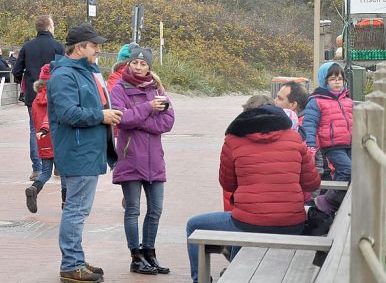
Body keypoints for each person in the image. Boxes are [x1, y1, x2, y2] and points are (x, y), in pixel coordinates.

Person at [186, 104, 320, 283]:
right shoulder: (294, 138)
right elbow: (312, 184)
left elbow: (227, 183)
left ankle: (199, 280)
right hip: (291, 223)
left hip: (249, 223)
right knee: (241, 232)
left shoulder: (233, 140)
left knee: (194, 226)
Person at [47, 23, 122, 282]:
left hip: (87, 150)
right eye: (94, 45)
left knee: (78, 209)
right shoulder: (64, 75)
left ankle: (76, 259)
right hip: (78, 151)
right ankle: (71, 264)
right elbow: (68, 114)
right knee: (76, 210)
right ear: (79, 48)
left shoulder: (87, 71)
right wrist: (101, 116)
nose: (99, 50)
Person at [109, 46, 175, 275]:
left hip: (154, 158)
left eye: (143, 64)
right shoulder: (119, 89)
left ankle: (150, 253)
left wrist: (138, 119)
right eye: (134, 63)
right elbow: (121, 119)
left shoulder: (156, 88)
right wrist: (148, 108)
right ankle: (135, 257)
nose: (138, 67)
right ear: (128, 64)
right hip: (130, 157)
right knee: (133, 210)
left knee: (156, 209)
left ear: (149, 66)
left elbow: (167, 122)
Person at [12, 15, 65, 181]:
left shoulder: (27, 47)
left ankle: (37, 167)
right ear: (49, 27)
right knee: (56, 127)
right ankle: (57, 165)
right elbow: (64, 70)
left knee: (35, 129)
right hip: (55, 93)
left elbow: (16, 70)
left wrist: (26, 80)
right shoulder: (57, 46)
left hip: (34, 94)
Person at [302, 62, 352, 213]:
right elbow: (309, 123)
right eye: (333, 79)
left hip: (350, 143)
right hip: (332, 144)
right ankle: (328, 201)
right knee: (348, 170)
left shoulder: (347, 100)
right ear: (325, 81)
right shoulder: (317, 100)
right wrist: (310, 143)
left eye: (340, 79)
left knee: (353, 171)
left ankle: (341, 204)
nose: (337, 82)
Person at [25, 64, 66, 213]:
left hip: (42, 139)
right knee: (65, 173)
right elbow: (53, 116)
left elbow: (35, 120)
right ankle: (65, 202)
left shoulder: (36, 100)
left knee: (46, 172)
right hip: (58, 137)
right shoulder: (57, 97)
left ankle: (34, 188)